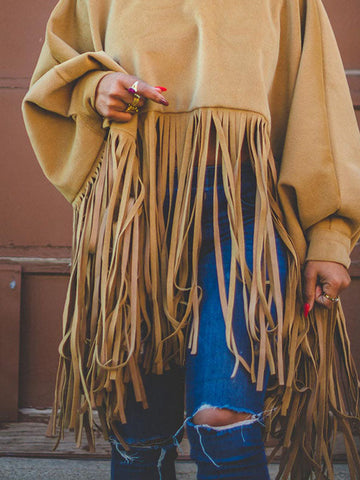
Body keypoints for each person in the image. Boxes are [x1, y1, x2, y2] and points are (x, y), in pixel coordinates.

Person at [22, 0, 360, 478]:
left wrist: (330, 234)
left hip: (247, 216)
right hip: (136, 219)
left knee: (224, 420)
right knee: (139, 432)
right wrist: (95, 88)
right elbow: (56, 72)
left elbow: (318, 102)